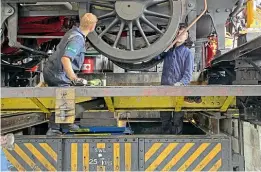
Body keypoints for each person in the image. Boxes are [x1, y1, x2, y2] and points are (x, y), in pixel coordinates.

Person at [43, 13, 98, 136]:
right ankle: (54, 129)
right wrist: (73, 77)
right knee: (63, 96)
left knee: (65, 96)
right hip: (58, 73)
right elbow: (66, 58)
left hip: (53, 69)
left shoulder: (73, 32)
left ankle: (66, 123)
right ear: (93, 26)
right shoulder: (77, 39)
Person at [158, 24, 194, 134]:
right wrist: (163, 50)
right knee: (164, 118)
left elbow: (188, 75)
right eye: (177, 33)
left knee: (177, 119)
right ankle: (165, 140)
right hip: (165, 89)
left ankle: (177, 140)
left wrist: (180, 83)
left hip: (179, 90)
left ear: (187, 35)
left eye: (182, 33)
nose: (179, 35)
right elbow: (156, 58)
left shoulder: (188, 53)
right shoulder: (168, 51)